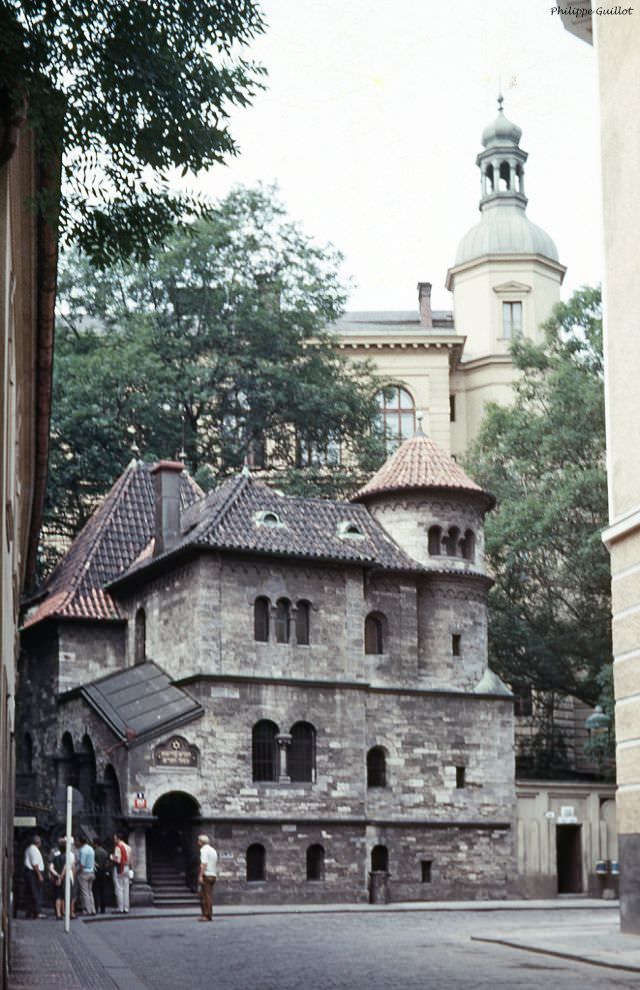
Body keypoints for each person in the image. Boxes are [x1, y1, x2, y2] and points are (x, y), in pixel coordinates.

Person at [197, 834, 217, 922]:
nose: (197, 843)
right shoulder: (212, 850)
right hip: (213, 875)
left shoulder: (204, 850)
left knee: (205, 896)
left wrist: (200, 875)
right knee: (204, 895)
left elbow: (204, 864)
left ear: (201, 842)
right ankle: (206, 914)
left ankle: (207, 915)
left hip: (207, 875)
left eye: (198, 841)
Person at [24, 835, 45, 918]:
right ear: (38, 842)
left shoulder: (29, 848)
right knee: (36, 893)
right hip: (34, 874)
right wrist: (39, 875)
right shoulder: (34, 850)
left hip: (31, 873)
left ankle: (30, 912)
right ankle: (37, 912)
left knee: (31, 893)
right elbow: (35, 864)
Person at [110, 831, 131, 914]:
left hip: (119, 868)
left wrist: (112, 857)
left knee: (119, 888)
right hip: (127, 867)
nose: (114, 839)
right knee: (126, 888)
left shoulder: (118, 847)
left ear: (118, 838)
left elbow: (118, 860)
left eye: (115, 838)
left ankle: (120, 907)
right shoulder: (128, 847)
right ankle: (126, 907)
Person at [77, 835, 97, 915]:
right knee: (90, 891)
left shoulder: (83, 850)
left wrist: (77, 871)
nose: (76, 842)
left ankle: (87, 910)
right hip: (91, 871)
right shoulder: (91, 849)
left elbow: (82, 864)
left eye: (77, 840)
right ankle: (93, 909)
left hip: (85, 872)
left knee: (84, 892)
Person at [93, 837, 110, 914]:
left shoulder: (94, 852)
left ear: (95, 843)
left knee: (95, 890)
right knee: (102, 891)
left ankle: (96, 907)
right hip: (103, 872)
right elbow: (107, 863)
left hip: (96, 872)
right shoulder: (105, 852)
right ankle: (103, 908)